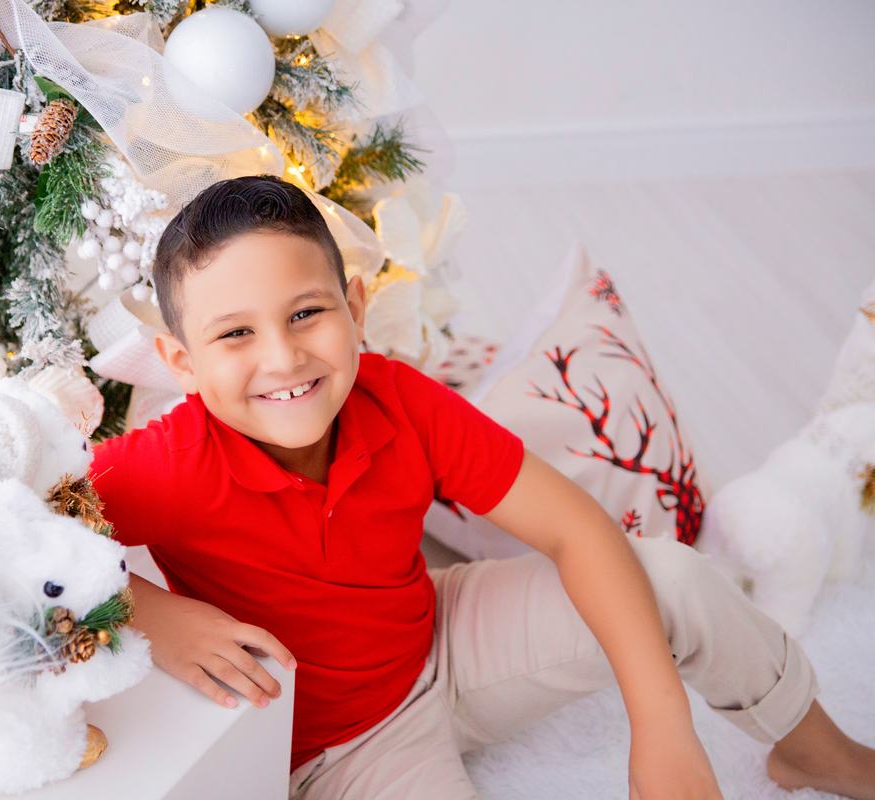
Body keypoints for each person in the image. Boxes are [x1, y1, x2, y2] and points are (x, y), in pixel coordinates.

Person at [91, 175, 875, 800]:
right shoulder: (160, 465)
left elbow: (577, 531)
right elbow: (10, 547)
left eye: (306, 314)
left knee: (669, 573)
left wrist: (662, 721)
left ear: (355, 308)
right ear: (181, 362)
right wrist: (151, 611)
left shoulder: (398, 399)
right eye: (235, 334)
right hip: (333, 752)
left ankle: (816, 755)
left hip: (441, 641)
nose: (284, 357)